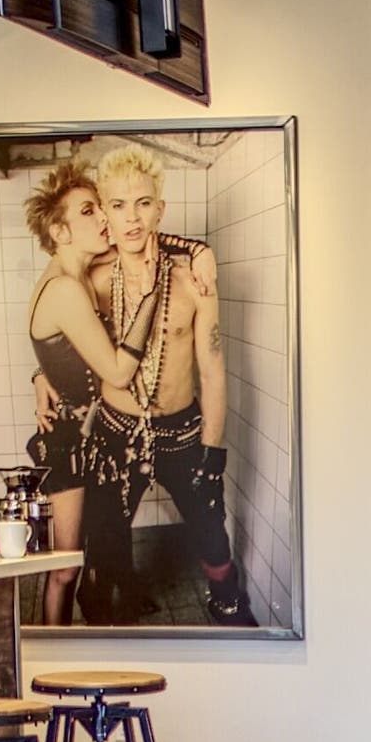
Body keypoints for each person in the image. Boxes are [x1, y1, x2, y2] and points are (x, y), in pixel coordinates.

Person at [79, 143, 254, 627]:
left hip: (181, 430)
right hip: (115, 431)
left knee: (211, 534)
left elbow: (214, 367)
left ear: (160, 208)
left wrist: (213, 452)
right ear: (105, 214)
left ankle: (229, 603)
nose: (131, 219)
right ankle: (116, 605)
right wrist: (39, 378)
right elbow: (60, 331)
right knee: (106, 542)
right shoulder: (92, 280)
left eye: (142, 203)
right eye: (117, 205)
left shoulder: (192, 281)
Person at [16, 158, 142, 626]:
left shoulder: (71, 275)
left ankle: (87, 632)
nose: (104, 218)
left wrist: (40, 375)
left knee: (88, 558)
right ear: (60, 230)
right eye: (88, 211)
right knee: (65, 567)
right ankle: (53, 656)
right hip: (70, 438)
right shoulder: (66, 290)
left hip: (90, 434)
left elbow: (140, 244)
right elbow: (116, 371)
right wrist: (148, 306)